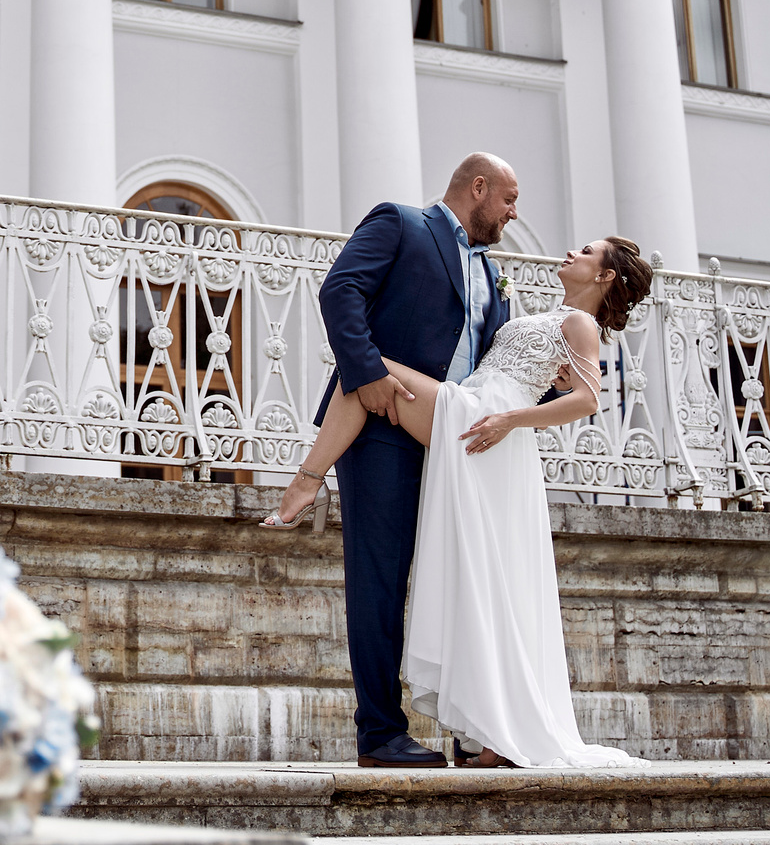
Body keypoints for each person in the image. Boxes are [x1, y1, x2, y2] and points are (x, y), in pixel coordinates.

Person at [270, 234, 655, 768]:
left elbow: (589, 400)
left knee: (366, 370)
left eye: (586, 253)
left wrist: (508, 420)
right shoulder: (556, 319)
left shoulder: (580, 324)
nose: (572, 254)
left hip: (486, 421)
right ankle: (491, 734)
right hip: (480, 412)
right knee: (484, 582)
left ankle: (307, 482)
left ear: (605, 276)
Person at [279, 155, 518, 769]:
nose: (513, 214)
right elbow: (341, 292)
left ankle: (472, 730)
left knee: (460, 584)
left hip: (455, 446)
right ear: (479, 187)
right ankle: (381, 733)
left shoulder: (493, 275)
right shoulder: (401, 223)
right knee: (379, 582)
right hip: (383, 430)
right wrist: (368, 376)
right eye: (509, 199)